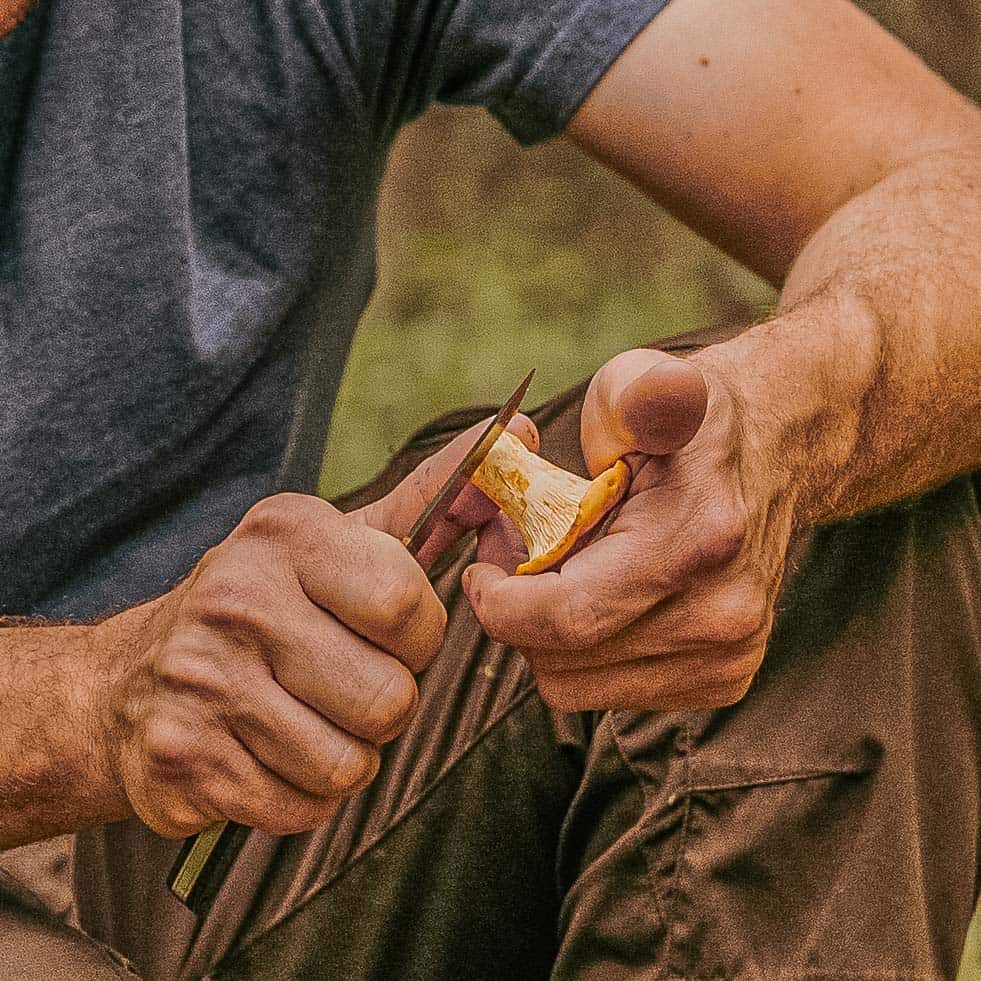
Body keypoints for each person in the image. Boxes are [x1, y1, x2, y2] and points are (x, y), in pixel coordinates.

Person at [1, 0, 979, 976]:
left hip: (200, 843)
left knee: (852, 471)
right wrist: (90, 704)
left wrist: (786, 432)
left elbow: (950, 190)